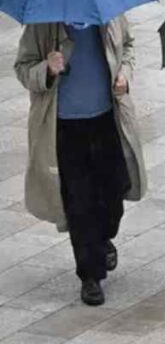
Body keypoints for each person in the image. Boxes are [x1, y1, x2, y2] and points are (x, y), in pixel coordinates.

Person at [15, 17, 147, 306]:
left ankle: (103, 237)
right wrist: (46, 69)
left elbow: (128, 47)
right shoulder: (42, 24)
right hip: (64, 128)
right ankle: (90, 275)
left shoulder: (109, 15)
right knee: (79, 203)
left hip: (106, 120)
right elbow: (22, 68)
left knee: (114, 192)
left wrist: (124, 74)